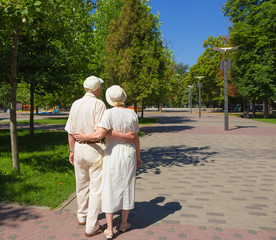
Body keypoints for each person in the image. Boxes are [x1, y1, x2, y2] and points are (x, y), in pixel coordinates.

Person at [65, 77, 134, 237]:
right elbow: (103, 131)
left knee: (81, 184)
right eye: (100, 88)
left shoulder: (75, 104)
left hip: (79, 149)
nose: (101, 90)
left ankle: (81, 216)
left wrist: (72, 150)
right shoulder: (99, 104)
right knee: (96, 189)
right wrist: (126, 136)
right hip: (95, 150)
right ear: (97, 89)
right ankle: (91, 226)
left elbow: (70, 130)